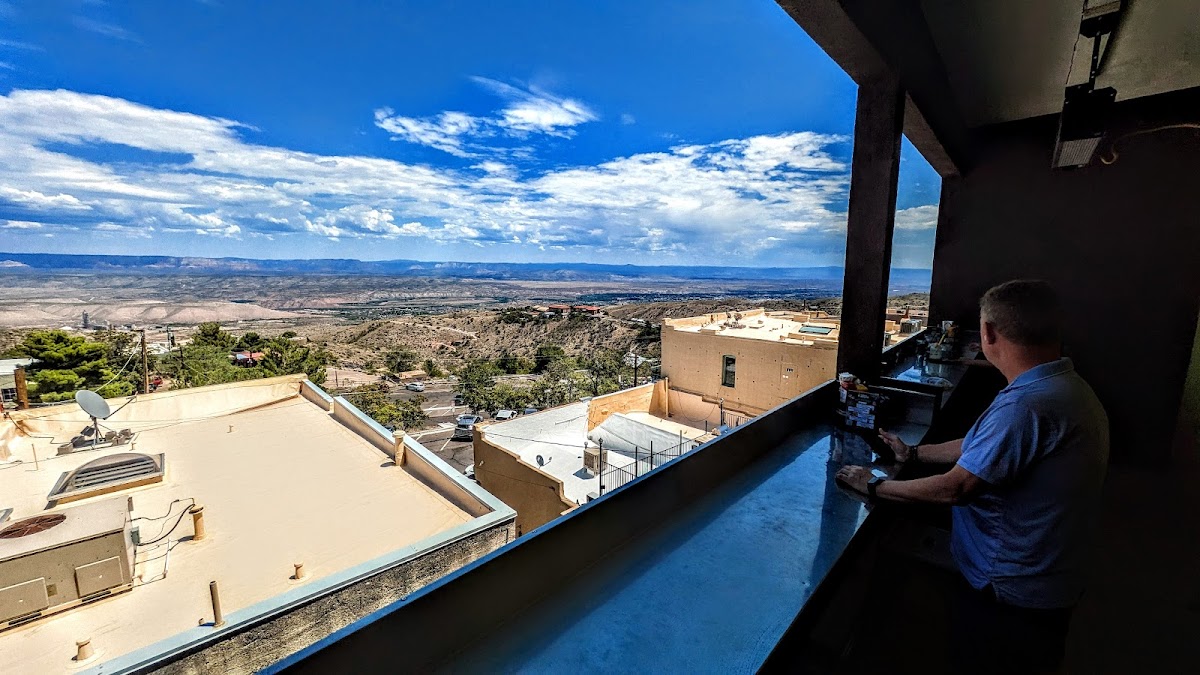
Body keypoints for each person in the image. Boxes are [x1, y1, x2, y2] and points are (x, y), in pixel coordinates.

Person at [836, 279, 1109, 674]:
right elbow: (983, 443)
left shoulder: (1027, 406)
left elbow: (957, 488)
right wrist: (913, 452)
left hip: (1012, 589)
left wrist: (876, 485)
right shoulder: (1060, 387)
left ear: (988, 333)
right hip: (1048, 571)